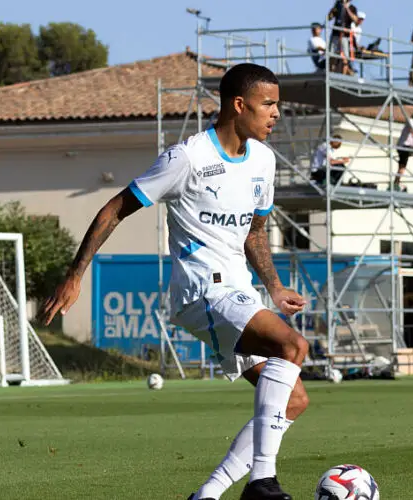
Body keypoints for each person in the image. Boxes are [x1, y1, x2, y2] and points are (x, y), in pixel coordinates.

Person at [40, 63, 310, 500]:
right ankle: (262, 482)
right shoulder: (188, 158)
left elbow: (256, 233)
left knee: (292, 401)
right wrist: (76, 275)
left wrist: (275, 288)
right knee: (293, 346)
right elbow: (115, 207)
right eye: (269, 104)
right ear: (238, 106)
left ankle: (206, 495)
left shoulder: (263, 160)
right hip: (201, 291)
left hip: (237, 292)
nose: (276, 113)